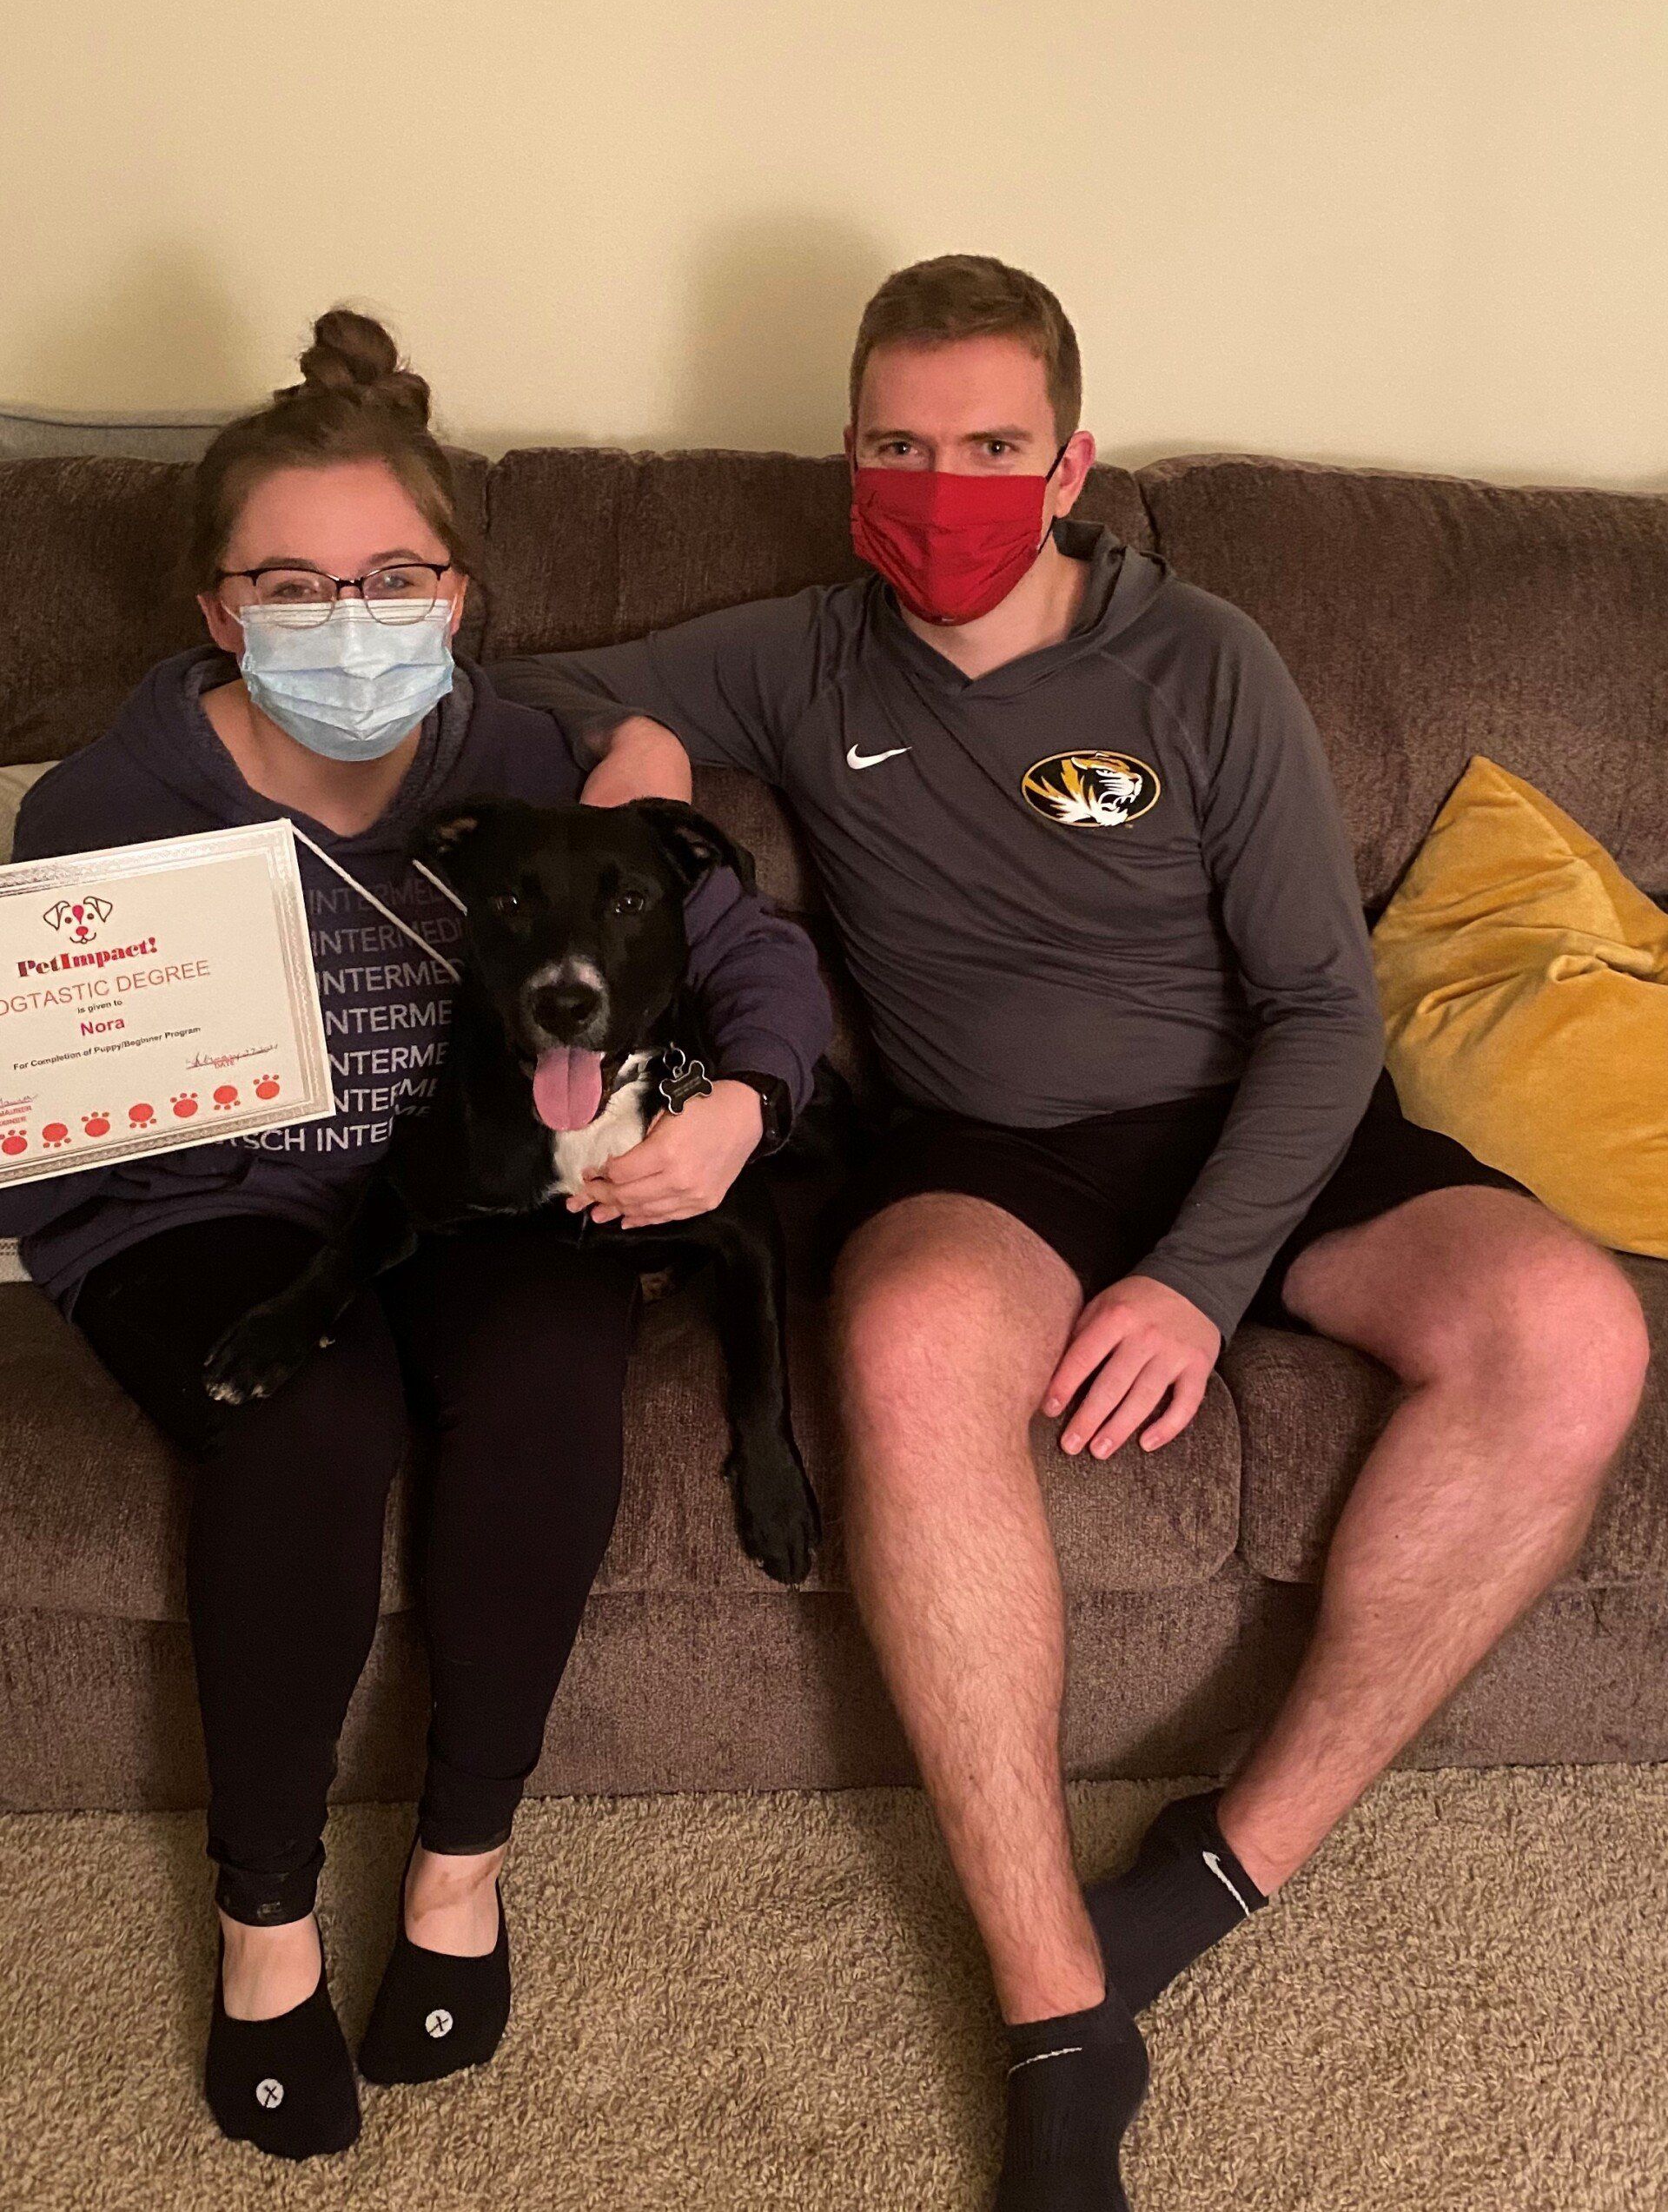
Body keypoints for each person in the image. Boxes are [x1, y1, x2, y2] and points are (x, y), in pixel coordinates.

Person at [493, 255, 1651, 2209]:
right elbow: (517, 705)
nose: (941, 484)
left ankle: (1215, 1872)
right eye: (900, 443)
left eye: (992, 447)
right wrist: (634, 755)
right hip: (986, 1151)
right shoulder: (797, 653)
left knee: (1581, 1333)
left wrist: (1200, 1281)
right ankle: (1054, 2022)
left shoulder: (1206, 660)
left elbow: (1324, 1010)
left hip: (1266, 1120)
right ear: (847, 452)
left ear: (1071, 459)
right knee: (909, 1345)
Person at [1, 309, 831, 2162]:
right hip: (194, 1207)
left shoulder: (535, 749)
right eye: (292, 584)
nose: (347, 616)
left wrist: (733, 1104)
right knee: (313, 1418)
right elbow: (33, 1077)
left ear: (456, 591)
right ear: (219, 611)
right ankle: (265, 1924)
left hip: (469, 1191)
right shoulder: (106, 804)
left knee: (549, 1373)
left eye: (389, 576)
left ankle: (463, 1863)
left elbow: (741, 947)